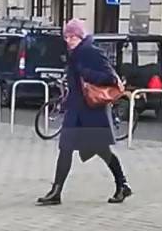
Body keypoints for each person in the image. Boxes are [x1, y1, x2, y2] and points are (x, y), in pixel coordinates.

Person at [38, 19, 131, 205]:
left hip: (92, 110)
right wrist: (66, 100)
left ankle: (122, 185)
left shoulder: (90, 51)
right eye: (67, 36)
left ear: (81, 36)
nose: (69, 39)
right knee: (65, 148)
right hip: (76, 110)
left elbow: (111, 78)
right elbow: (75, 84)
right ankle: (56, 191)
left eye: (73, 36)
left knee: (102, 150)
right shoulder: (74, 54)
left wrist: (86, 73)